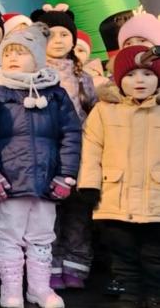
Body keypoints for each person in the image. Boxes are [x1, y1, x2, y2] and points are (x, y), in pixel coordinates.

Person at [0, 23, 82, 308]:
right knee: (9, 236)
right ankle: (10, 291)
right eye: (7, 53)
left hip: (47, 179)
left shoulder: (56, 95)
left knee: (42, 236)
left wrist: (66, 174)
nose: (12, 58)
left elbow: (71, 135)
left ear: (37, 57)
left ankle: (39, 289)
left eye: (20, 52)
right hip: (10, 179)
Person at [79, 45, 160, 308]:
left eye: (148, 74)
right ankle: (129, 296)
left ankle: (155, 295)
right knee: (122, 253)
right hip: (115, 197)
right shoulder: (104, 110)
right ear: (118, 79)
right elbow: (91, 149)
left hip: (155, 199)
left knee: (154, 254)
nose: (139, 81)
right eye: (131, 75)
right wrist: (89, 185)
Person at [31, 5, 98, 290]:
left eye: (64, 34)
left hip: (79, 156)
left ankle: (76, 264)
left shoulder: (84, 78)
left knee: (78, 214)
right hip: (45, 154)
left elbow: (95, 115)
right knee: (48, 214)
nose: (58, 40)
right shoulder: (33, 74)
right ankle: (51, 264)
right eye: (50, 34)